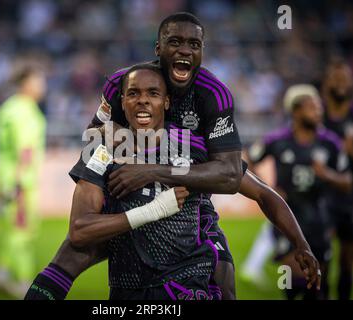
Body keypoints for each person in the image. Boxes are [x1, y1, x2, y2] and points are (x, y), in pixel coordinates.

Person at [25, 64, 321, 300]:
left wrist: (301, 243)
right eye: (133, 93)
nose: (142, 100)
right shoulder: (101, 146)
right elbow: (79, 230)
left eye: (152, 93)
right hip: (125, 241)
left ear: (166, 102)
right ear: (122, 100)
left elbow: (261, 192)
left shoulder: (194, 146)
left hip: (185, 255)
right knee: (71, 253)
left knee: (223, 283)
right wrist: (151, 210)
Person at [248, 84, 352, 300]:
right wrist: (266, 186)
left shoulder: (330, 143)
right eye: (312, 107)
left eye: (318, 107)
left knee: (317, 289)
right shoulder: (277, 140)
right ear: (295, 111)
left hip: (320, 222)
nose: (318, 112)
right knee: (292, 286)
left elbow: (347, 180)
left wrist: (328, 175)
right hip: (286, 219)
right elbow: (250, 158)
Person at [0, 65, 47, 298]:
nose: (43, 86)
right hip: (21, 180)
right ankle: (24, 283)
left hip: (6, 175)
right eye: (39, 80)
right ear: (27, 83)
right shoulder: (27, 111)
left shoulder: (7, 108)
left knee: (16, 226)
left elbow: (2, 147)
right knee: (24, 230)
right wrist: (20, 180)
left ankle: (1, 273)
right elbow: (25, 150)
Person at [321, 60, 353, 300]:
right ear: (327, 82)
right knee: (321, 256)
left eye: (345, 79)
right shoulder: (316, 114)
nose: (341, 84)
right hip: (320, 196)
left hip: (348, 198)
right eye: (336, 79)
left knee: (347, 261)